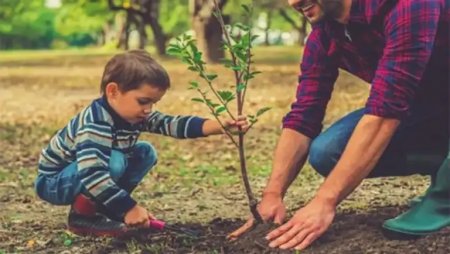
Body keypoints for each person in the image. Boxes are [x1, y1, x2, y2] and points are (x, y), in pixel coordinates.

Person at [229, 0, 449, 250]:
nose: (294, 2)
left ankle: (445, 195)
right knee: (329, 151)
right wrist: (273, 195)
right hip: (432, 104)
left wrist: (324, 201)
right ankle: (444, 167)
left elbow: (386, 112)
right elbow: (304, 115)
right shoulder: (326, 34)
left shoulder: (410, 5)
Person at [35, 50, 248, 237]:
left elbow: (172, 124)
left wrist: (219, 126)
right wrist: (129, 208)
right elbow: (92, 173)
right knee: (115, 161)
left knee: (145, 152)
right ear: (113, 91)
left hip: (86, 175)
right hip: (55, 182)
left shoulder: (134, 115)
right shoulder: (96, 123)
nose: (148, 109)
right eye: (143, 101)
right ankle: (83, 217)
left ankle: (107, 208)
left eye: (153, 103)